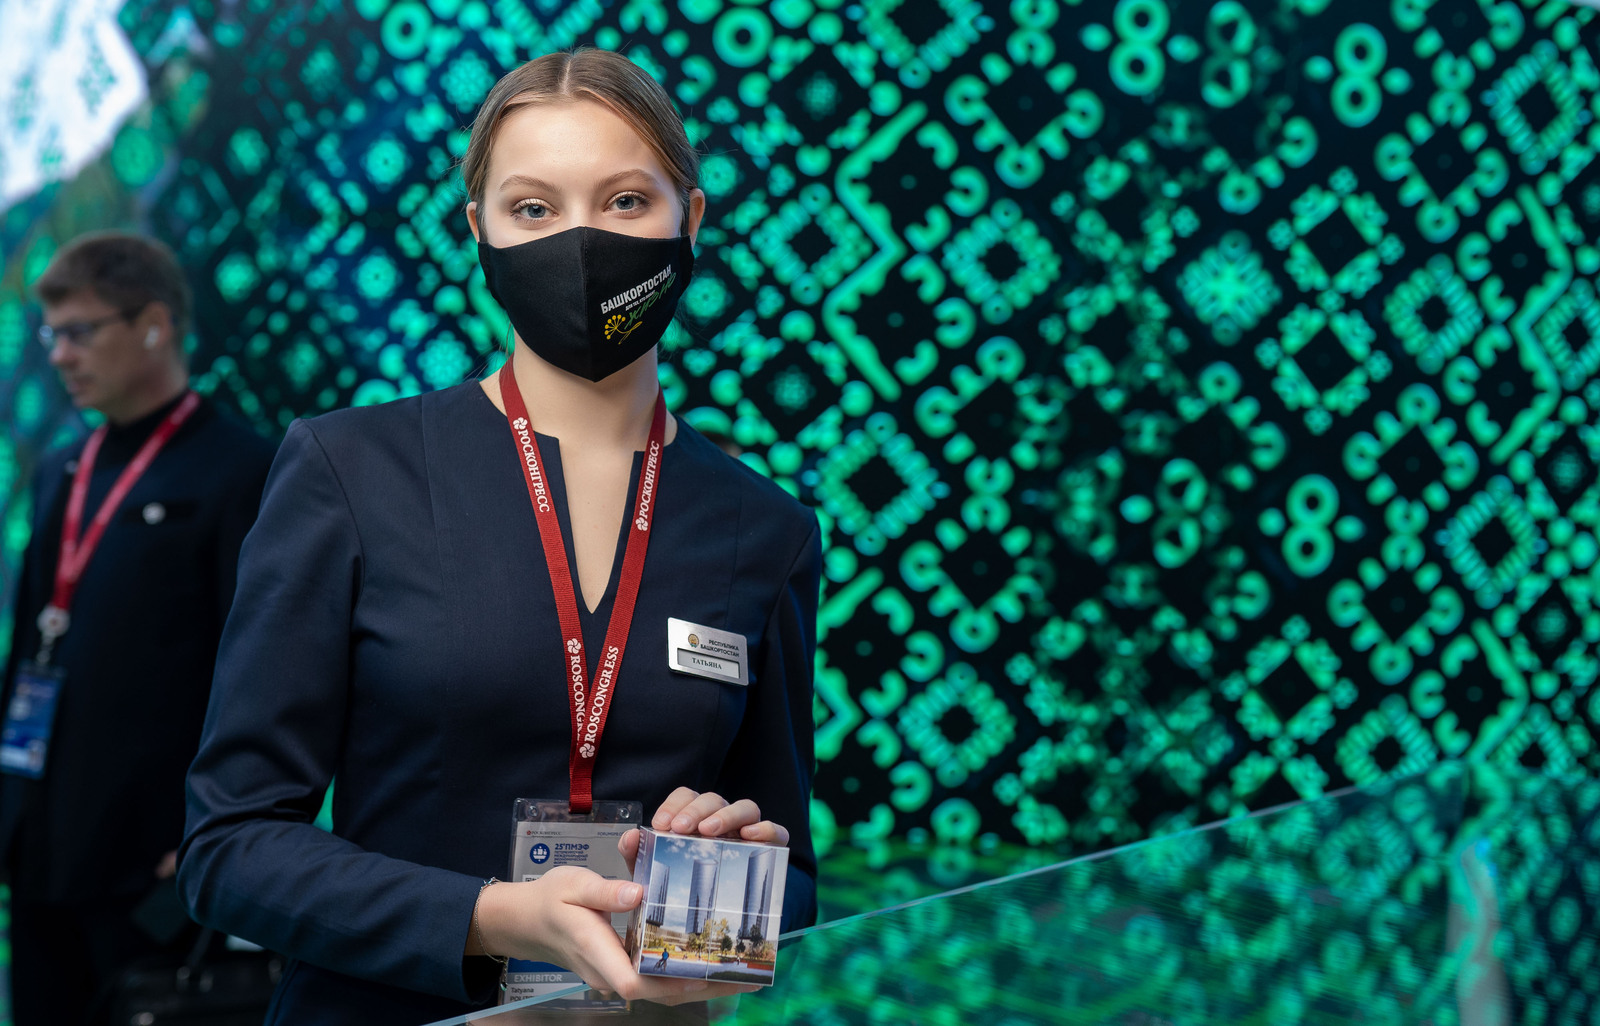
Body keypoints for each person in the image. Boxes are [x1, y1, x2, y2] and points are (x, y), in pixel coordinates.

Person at [178, 48, 820, 1025]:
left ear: (690, 219)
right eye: (533, 208)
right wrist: (491, 919)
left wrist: (726, 903)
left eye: (625, 202)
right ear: (478, 228)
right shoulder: (350, 471)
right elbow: (229, 849)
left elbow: (794, 881)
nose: (581, 241)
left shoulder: (766, 530)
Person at [0, 231, 278, 1025]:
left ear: (154, 325)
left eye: (80, 332)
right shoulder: (62, 469)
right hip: (41, 850)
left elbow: (261, 676)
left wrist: (212, 832)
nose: (59, 355)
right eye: (51, 334)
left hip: (151, 867)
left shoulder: (240, 468)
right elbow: (30, 649)